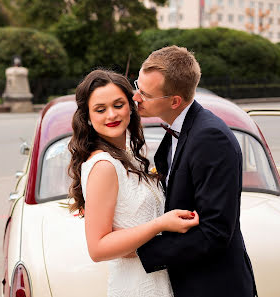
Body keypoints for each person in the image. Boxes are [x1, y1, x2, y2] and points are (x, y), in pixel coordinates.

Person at [133, 46, 257, 297]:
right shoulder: (177, 130)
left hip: (213, 285)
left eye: (145, 94)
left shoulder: (211, 138)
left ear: (174, 101)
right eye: (138, 85)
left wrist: (139, 251)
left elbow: (215, 232)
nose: (136, 97)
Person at [68, 69, 199, 297]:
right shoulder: (104, 166)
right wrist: (160, 224)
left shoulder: (129, 156)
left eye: (118, 105)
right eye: (100, 109)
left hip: (159, 282)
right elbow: (98, 248)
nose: (111, 115)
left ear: (131, 106)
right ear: (88, 117)